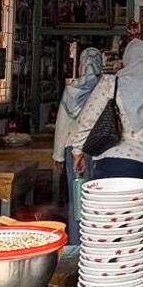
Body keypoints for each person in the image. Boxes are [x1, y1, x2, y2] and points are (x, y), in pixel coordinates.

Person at [68, 39, 143, 183]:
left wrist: (78, 151)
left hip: (113, 164)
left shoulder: (111, 84)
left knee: (112, 206)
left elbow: (89, 119)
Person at [52, 47, 103, 211]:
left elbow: (62, 125)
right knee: (96, 199)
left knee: (78, 199)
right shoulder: (105, 87)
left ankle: (76, 235)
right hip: (99, 149)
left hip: (73, 150)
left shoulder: (72, 90)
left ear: (81, 65)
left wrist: (58, 156)